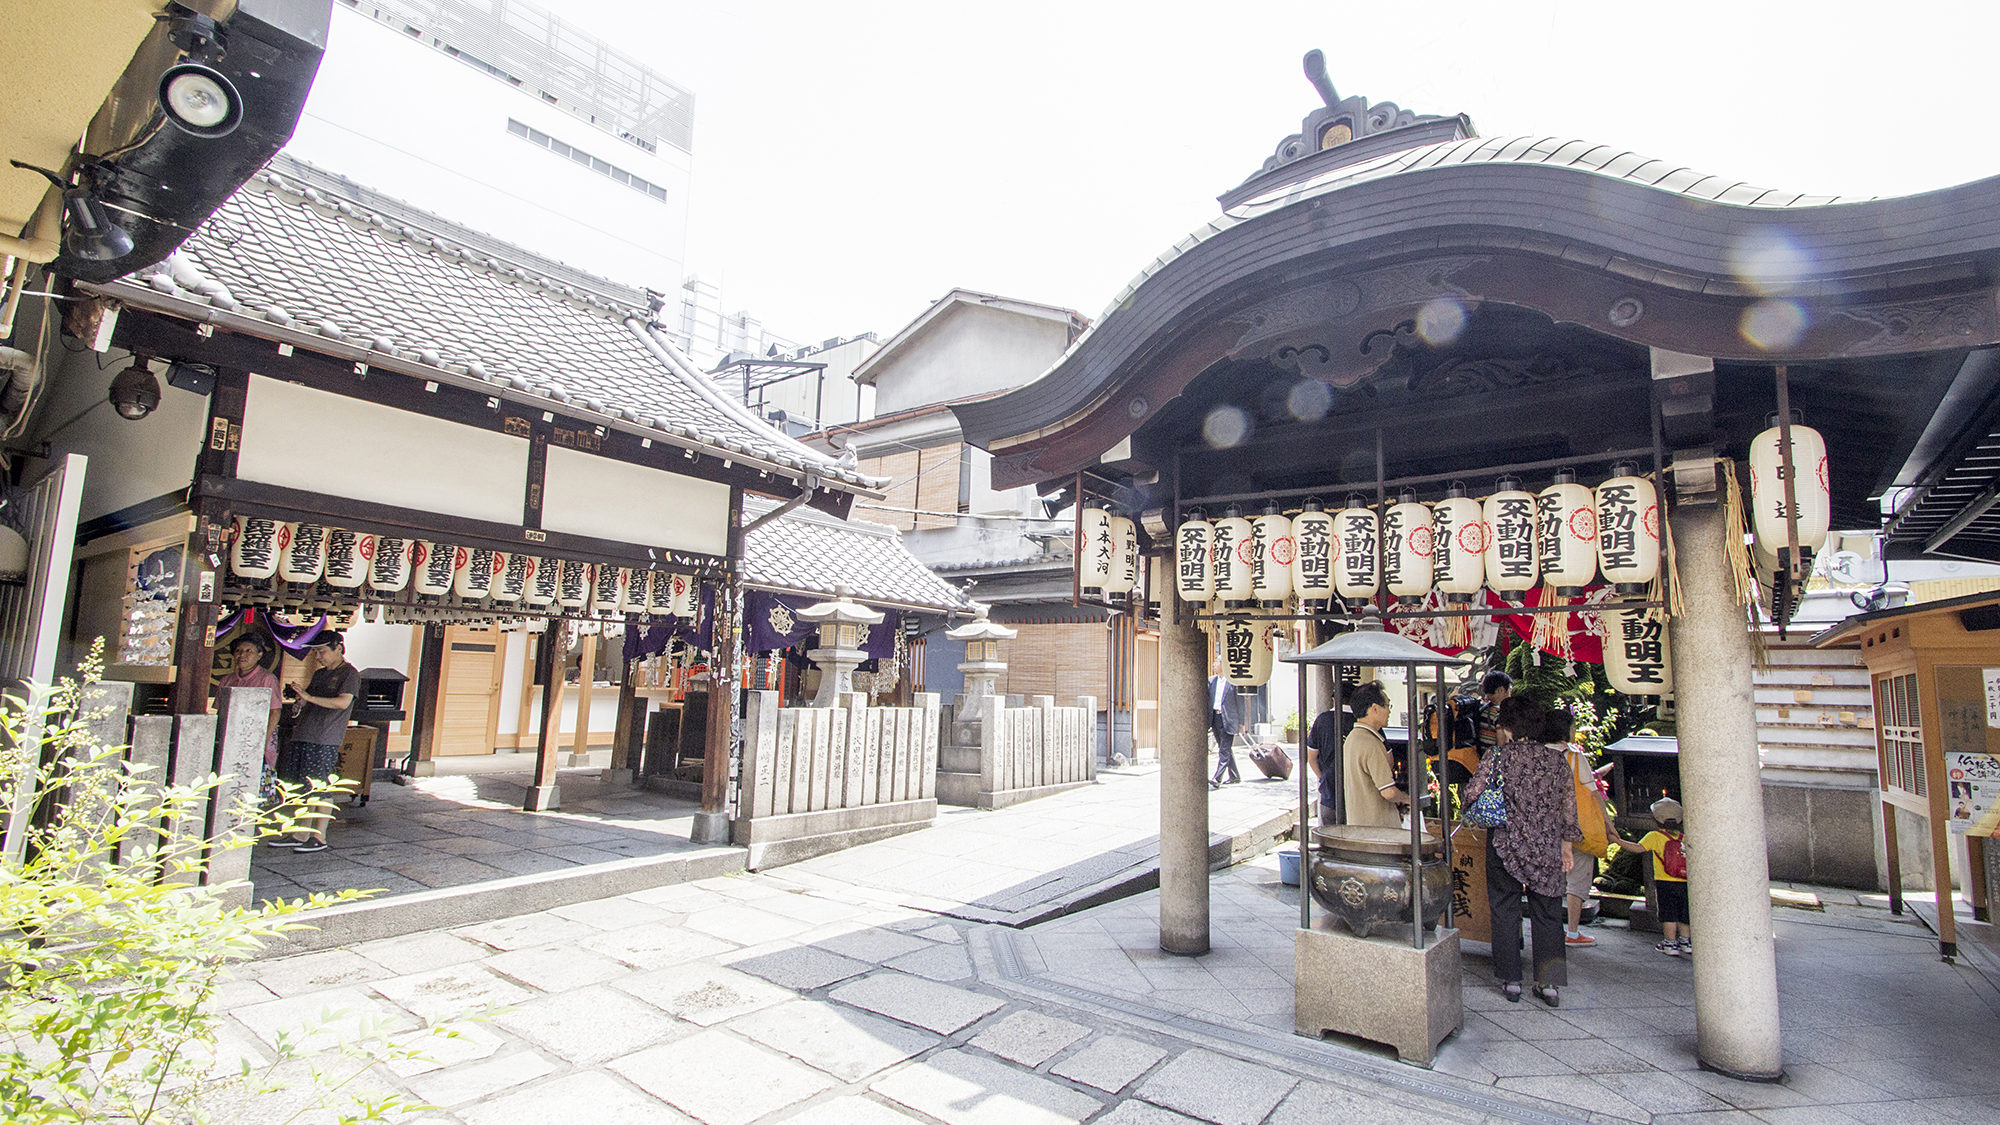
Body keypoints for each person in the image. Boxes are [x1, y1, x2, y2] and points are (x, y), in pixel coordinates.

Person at [1465, 695, 1580, 1007]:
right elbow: (1568, 808)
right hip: (1547, 847)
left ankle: (1511, 981)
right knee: (1549, 913)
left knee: (1504, 909)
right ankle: (1549, 984)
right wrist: (1566, 846)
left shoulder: (1497, 757)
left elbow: (1472, 793)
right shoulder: (1557, 762)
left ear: (1507, 727)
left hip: (1505, 843)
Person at [273, 631, 360, 853]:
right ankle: (299, 833)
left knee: (319, 787)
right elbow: (309, 701)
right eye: (315, 652)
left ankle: (319, 837)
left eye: (321, 651)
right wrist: (300, 700)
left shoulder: (349, 674)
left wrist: (309, 698)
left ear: (338, 648)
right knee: (301, 786)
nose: (318, 656)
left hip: (324, 738)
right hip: (304, 733)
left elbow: (342, 703)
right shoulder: (320, 674)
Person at [1542, 711, 1613, 947]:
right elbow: (1594, 795)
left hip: (1545, 827)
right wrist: (1608, 824)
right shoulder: (1574, 757)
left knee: (1549, 879)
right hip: (1575, 828)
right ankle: (1572, 933)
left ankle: (1549, 931)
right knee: (1578, 878)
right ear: (1566, 730)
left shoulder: (1538, 755)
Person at [214, 632, 283, 800]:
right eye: (238, 651)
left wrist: (262, 742)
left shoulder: (267, 679)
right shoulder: (227, 680)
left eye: (248, 651)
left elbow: (275, 712)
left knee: (255, 792)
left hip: (257, 742)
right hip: (231, 742)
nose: (242, 655)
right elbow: (219, 712)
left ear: (259, 655)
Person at [1625, 797, 1692, 956]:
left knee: (1668, 913)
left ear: (1657, 819)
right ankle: (1685, 942)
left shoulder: (1655, 836)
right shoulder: (1683, 837)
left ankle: (1669, 944)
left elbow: (1637, 848)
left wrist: (1616, 840)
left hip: (1664, 881)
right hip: (1684, 881)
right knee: (1684, 912)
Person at [1340, 681, 1406, 828]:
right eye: (1388, 706)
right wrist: (1408, 798)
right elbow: (1388, 792)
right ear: (1374, 708)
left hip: (1359, 825)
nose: (1389, 711)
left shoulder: (1353, 737)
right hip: (1378, 830)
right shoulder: (1371, 743)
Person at [1208, 658, 1243, 789]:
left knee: (1224, 750)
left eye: (1216, 662)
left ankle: (1217, 778)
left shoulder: (1233, 682)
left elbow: (1240, 703)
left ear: (1223, 664)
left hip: (1229, 720)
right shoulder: (1211, 681)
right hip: (1215, 718)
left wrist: (1242, 723)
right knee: (1225, 748)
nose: (1213, 664)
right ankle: (1235, 776)